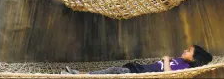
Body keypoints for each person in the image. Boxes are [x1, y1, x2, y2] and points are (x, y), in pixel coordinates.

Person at [61, 45, 212, 74]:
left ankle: (77, 74)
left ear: (194, 58)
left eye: (189, 51)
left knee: (111, 71)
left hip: (139, 73)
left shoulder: (185, 68)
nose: (185, 50)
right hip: (139, 69)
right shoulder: (180, 61)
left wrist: (166, 60)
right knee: (109, 72)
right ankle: (78, 74)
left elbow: (168, 75)